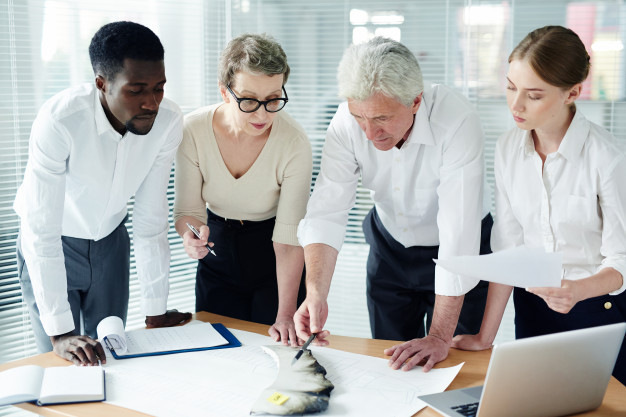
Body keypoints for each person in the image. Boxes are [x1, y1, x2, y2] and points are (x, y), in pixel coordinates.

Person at [295, 36, 493, 371]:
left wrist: (441, 337)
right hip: (390, 247)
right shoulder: (346, 121)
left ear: (415, 101)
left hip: (461, 250)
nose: (370, 134)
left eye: (382, 118)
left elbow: (458, 232)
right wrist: (315, 293)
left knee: (456, 367)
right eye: (361, 117)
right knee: (392, 366)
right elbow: (327, 211)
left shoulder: (457, 121)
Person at [452, 26, 626, 385]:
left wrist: (577, 290)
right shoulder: (507, 148)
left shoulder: (608, 158)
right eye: (511, 87)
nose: (515, 105)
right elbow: (509, 249)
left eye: (533, 95)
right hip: (532, 308)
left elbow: (621, 261)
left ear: (572, 93)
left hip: (599, 311)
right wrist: (486, 337)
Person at [14, 21, 192, 366]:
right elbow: (41, 229)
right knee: (61, 365)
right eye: (136, 90)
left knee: (113, 358)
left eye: (159, 88)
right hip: (53, 246)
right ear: (102, 84)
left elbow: (150, 218)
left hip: (111, 242)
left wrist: (155, 311)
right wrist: (60, 332)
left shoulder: (169, 121)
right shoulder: (60, 120)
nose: (151, 103)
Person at [173, 33, 312, 346]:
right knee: (218, 356)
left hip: (275, 254)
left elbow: (290, 239)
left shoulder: (294, 143)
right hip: (218, 249)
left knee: (277, 352)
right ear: (225, 92)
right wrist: (191, 237)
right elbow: (188, 212)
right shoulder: (192, 130)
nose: (263, 114)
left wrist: (287, 313)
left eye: (274, 99)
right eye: (249, 100)